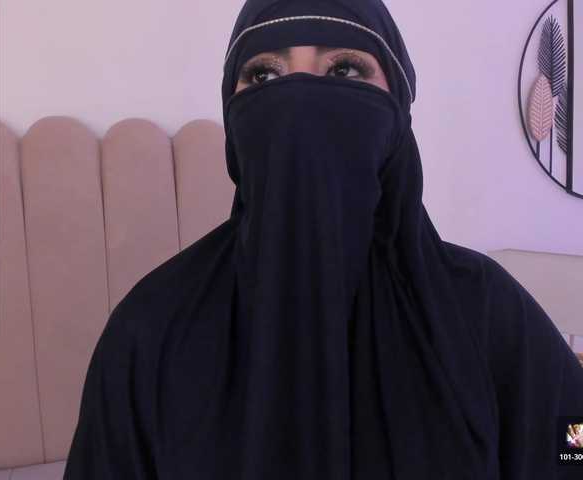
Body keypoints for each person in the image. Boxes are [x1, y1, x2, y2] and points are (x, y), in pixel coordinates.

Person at [63, 0, 583, 479]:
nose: (298, 100)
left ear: (398, 109)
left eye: (344, 70)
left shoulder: (485, 309)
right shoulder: (152, 327)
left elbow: (573, 444)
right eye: (264, 74)